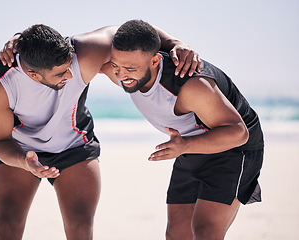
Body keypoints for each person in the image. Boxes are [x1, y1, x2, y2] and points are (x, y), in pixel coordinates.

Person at [0, 23, 201, 240]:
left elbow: (129, 29)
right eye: (60, 74)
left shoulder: (84, 52)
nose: (69, 75)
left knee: (80, 227)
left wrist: (176, 43)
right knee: (7, 224)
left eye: (68, 66)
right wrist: (23, 161)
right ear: (33, 74)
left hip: (74, 146)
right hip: (21, 148)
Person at [100, 20, 264, 240]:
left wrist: (185, 145)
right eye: (116, 66)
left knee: (205, 232)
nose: (121, 75)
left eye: (130, 69)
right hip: (189, 144)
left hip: (234, 147)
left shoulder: (190, 86)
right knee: (177, 233)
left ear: (155, 60)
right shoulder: (123, 68)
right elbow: (129, 28)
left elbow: (238, 132)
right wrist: (174, 41)